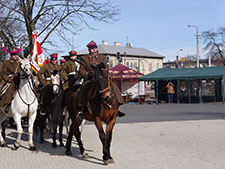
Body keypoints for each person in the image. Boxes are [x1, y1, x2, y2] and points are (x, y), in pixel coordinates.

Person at [76, 40, 125, 120]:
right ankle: (81, 110)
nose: (94, 50)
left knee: (114, 86)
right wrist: (88, 75)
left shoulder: (102, 57)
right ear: (89, 50)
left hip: (102, 78)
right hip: (91, 79)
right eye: (92, 48)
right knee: (84, 89)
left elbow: (107, 67)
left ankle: (117, 106)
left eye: (95, 48)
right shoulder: (85, 58)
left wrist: (104, 70)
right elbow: (81, 70)